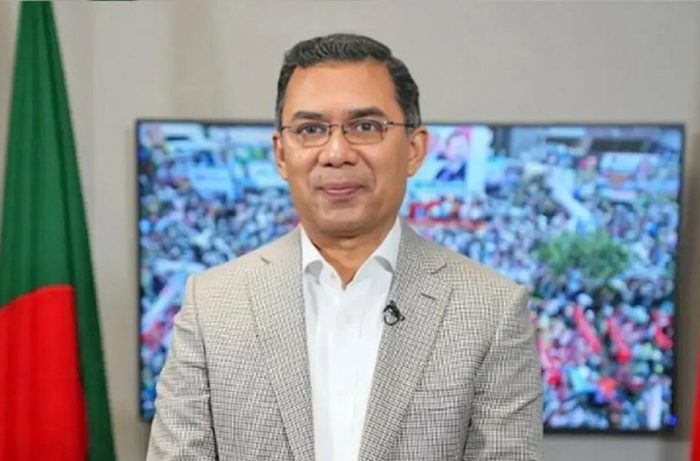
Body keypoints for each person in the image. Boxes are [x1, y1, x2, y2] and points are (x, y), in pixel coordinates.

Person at [147, 33, 542, 461]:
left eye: (366, 127)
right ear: (281, 154)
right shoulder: (211, 305)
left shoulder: (492, 310)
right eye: (311, 130)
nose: (336, 153)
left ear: (414, 149)